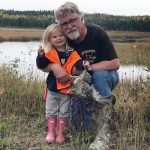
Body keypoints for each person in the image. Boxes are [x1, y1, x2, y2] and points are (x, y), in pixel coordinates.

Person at [37, 2, 120, 149]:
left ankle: (107, 130)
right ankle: (89, 123)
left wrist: (88, 70)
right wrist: (55, 67)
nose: (69, 26)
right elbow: (42, 64)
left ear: (81, 18)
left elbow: (115, 64)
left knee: (99, 76)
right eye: (64, 24)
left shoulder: (97, 33)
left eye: (72, 20)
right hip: (79, 85)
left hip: (105, 77)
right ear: (60, 27)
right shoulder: (63, 39)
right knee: (80, 129)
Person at [37, 24, 84, 144]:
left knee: (64, 112)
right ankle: (51, 133)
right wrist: (40, 56)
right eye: (54, 37)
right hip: (52, 89)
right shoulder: (49, 52)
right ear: (49, 40)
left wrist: (83, 65)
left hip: (67, 90)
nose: (58, 38)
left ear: (66, 36)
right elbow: (41, 65)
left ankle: (60, 134)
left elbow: (77, 62)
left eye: (61, 35)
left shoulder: (71, 52)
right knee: (51, 111)